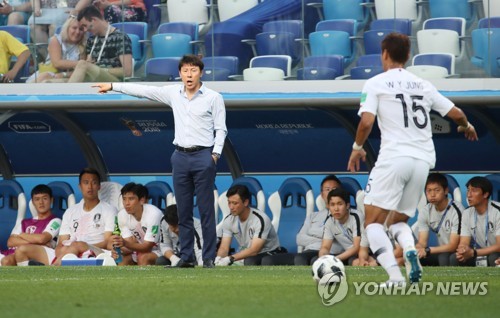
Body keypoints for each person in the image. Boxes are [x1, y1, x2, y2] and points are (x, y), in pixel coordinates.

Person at [347, 32, 478, 286]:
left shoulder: (376, 83)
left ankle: (395, 277)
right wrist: (467, 126)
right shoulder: (422, 85)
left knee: (372, 223)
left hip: (395, 158)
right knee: (398, 220)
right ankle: (409, 249)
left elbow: (366, 121)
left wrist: (357, 147)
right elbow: (457, 113)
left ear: (384, 54)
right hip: (422, 161)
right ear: (408, 56)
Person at [93, 54, 227, 269]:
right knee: (182, 210)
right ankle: (187, 257)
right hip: (180, 156)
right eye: (185, 71)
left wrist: (215, 154)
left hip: (204, 155)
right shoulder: (173, 93)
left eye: (193, 70)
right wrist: (112, 86)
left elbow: (221, 128)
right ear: (180, 73)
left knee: (206, 210)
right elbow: (144, 91)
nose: (189, 75)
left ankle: (208, 258)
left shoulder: (213, 97)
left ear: (201, 73)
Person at [261, 175, 347, 266]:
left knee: (304, 259)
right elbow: (299, 238)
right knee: (268, 260)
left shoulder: (342, 215)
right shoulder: (313, 216)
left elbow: (339, 240)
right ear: (322, 194)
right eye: (327, 189)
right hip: (308, 251)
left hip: (332, 252)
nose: (331, 192)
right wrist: (323, 239)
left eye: (334, 189)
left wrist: (323, 241)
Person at [53, 167, 117, 265]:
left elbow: (107, 242)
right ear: (80, 186)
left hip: (99, 251)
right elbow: (61, 243)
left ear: (99, 186)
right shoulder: (70, 211)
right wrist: (64, 251)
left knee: (77, 245)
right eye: (86, 183)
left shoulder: (109, 210)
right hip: (71, 250)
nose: (90, 187)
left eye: (94, 183)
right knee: (24, 249)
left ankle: (53, 269)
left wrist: (82, 246)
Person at [215, 184, 283, 266]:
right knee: (242, 261)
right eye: (229, 203)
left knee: (250, 261)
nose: (231, 207)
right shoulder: (229, 220)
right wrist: (219, 259)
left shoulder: (260, 219)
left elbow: (255, 250)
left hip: (269, 253)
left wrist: (230, 258)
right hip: (247, 255)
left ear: (246, 202)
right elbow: (224, 248)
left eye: (235, 203)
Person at [67, 5, 132, 82]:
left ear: (93, 20)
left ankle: (69, 93)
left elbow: (127, 72)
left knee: (82, 64)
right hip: (93, 78)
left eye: (85, 26)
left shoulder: (121, 37)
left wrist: (99, 69)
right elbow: (88, 64)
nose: (85, 30)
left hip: (115, 81)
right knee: (53, 81)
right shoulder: (91, 40)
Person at [0, 184, 61, 266]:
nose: (41, 202)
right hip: (14, 253)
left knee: (16, 254)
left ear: (51, 200)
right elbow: (11, 241)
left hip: (39, 254)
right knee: (7, 260)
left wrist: (22, 235)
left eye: (45, 198)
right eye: (37, 199)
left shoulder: (56, 221)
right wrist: (36, 241)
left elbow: (42, 238)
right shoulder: (25, 222)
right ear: (32, 202)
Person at [416, 173, 464, 266]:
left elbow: (453, 245)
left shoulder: (457, 210)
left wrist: (428, 250)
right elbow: (422, 242)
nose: (432, 195)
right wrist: (415, 250)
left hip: (460, 251)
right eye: (429, 191)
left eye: (436, 190)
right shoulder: (425, 211)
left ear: (446, 191)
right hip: (441, 250)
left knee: (444, 257)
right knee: (412, 258)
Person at [451, 176, 500, 267]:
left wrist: (474, 252)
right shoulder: (467, 213)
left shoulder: (497, 211)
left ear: (485, 194)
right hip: (482, 253)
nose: (469, 195)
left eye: (474, 191)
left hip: (496, 253)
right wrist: (463, 250)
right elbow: (464, 242)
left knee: (493, 257)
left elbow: (499, 246)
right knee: (456, 258)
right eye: (468, 190)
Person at [109, 182, 162, 265]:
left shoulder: (154, 214)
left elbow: (147, 247)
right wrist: (118, 250)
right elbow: (130, 246)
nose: (127, 203)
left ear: (142, 200)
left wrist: (125, 243)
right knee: (123, 260)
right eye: (124, 199)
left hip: (162, 251)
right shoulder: (122, 215)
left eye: (131, 199)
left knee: (143, 257)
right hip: (139, 250)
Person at [26, 15, 86, 83]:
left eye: (81, 29)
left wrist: (64, 74)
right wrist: (81, 64)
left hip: (68, 77)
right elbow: (57, 63)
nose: (77, 32)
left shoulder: (82, 46)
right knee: (45, 77)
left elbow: (82, 71)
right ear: (67, 28)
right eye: (74, 28)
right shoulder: (56, 40)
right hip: (49, 72)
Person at [318, 188, 363, 265]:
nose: (336, 209)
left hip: (365, 253)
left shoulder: (356, 217)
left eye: (340, 204)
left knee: (354, 262)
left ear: (347, 205)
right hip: (347, 255)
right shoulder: (329, 221)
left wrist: (334, 259)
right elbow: (325, 247)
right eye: (332, 205)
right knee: (317, 260)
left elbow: (356, 247)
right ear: (328, 206)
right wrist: (323, 258)